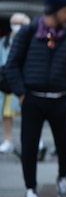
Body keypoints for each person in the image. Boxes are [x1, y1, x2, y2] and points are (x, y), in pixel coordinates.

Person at [5, 0, 66, 197]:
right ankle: (30, 190)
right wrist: (21, 93)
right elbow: (12, 64)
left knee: (65, 144)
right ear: (55, 12)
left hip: (60, 100)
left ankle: (62, 178)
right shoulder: (28, 33)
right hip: (32, 100)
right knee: (29, 147)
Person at [0, 13, 30, 153]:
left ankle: (32, 141)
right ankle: (8, 140)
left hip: (24, 82)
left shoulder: (30, 40)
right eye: (15, 22)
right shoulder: (5, 41)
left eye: (20, 23)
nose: (17, 26)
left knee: (29, 114)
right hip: (7, 84)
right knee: (6, 113)